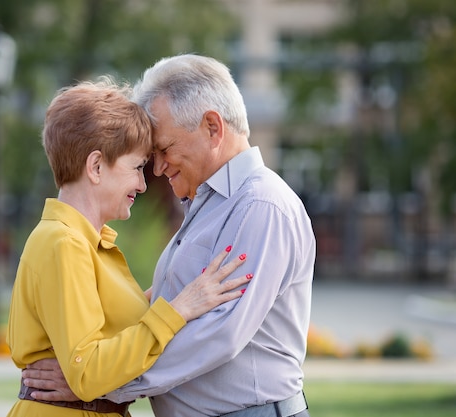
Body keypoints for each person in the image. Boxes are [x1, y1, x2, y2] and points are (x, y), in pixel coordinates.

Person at [23, 54, 316, 417]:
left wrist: (101, 384)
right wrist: (93, 374)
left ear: (212, 127)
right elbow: (166, 307)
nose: (157, 169)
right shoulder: (208, 205)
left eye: (163, 149)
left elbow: (218, 335)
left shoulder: (260, 206)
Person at [5, 77, 252, 417]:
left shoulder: (87, 244)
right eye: (137, 168)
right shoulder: (65, 244)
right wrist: (179, 309)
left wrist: (181, 291)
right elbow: (88, 372)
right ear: (95, 167)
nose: (142, 183)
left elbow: (111, 334)